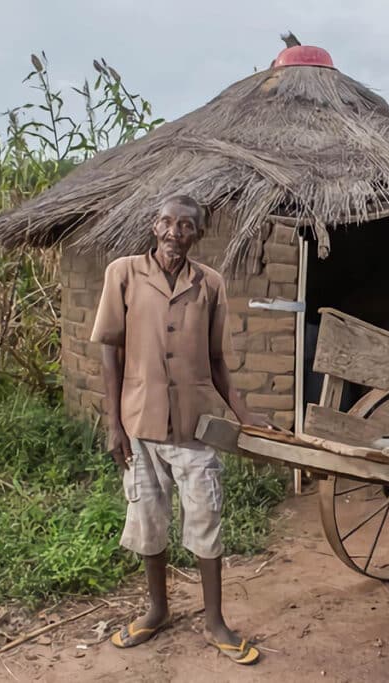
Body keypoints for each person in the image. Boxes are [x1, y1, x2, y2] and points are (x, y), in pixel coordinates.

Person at [90, 194, 268, 665]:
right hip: (140, 422)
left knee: (205, 518)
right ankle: (157, 610)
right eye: (167, 222)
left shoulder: (209, 284)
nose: (175, 233)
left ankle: (214, 622)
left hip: (193, 427)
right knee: (148, 520)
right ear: (154, 226)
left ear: (198, 234)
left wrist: (245, 415)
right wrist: (114, 425)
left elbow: (216, 361)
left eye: (186, 226)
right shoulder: (124, 274)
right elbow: (109, 347)